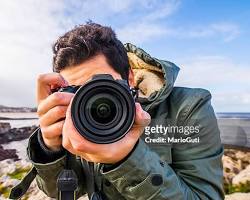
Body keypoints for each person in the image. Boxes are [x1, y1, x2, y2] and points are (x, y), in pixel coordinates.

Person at [10, 22, 224, 200]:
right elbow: (63, 192)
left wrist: (128, 159)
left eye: (102, 85)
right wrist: (50, 148)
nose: (90, 100)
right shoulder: (74, 117)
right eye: (77, 91)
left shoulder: (188, 107)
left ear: (130, 77)